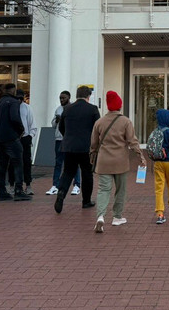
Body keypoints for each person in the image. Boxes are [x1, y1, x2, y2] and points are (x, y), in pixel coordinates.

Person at [90, 91, 144, 233]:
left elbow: (94, 144)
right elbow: (132, 141)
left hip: (104, 162)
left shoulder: (99, 122)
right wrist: (140, 156)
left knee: (103, 190)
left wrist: (92, 156)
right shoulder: (126, 121)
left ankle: (101, 216)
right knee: (121, 190)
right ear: (119, 105)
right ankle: (117, 217)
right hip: (120, 161)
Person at [53, 86, 101, 214]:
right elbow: (98, 129)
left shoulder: (67, 109)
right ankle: (86, 201)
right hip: (86, 147)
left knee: (68, 171)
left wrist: (68, 139)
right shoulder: (92, 109)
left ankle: (61, 192)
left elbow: (62, 127)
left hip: (69, 146)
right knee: (87, 173)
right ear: (88, 96)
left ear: (76, 95)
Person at [0, 83, 30, 201]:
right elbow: (15, 118)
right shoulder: (13, 102)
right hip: (11, 138)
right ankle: (18, 190)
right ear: (13, 91)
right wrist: (20, 130)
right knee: (18, 163)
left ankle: (2, 191)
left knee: (3, 165)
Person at [46, 90, 81, 197]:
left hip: (70, 140)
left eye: (63, 98)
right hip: (59, 139)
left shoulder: (73, 108)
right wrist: (56, 121)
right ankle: (55, 185)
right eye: (60, 98)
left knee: (73, 162)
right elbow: (53, 125)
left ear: (69, 98)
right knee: (58, 162)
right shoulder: (58, 109)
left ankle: (77, 185)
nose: (61, 100)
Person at [17, 90, 35, 194]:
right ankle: (12, 184)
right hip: (14, 139)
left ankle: (28, 185)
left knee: (26, 162)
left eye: (21, 98)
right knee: (13, 163)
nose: (19, 100)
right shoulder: (12, 107)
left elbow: (32, 124)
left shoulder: (27, 108)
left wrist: (30, 136)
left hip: (25, 138)